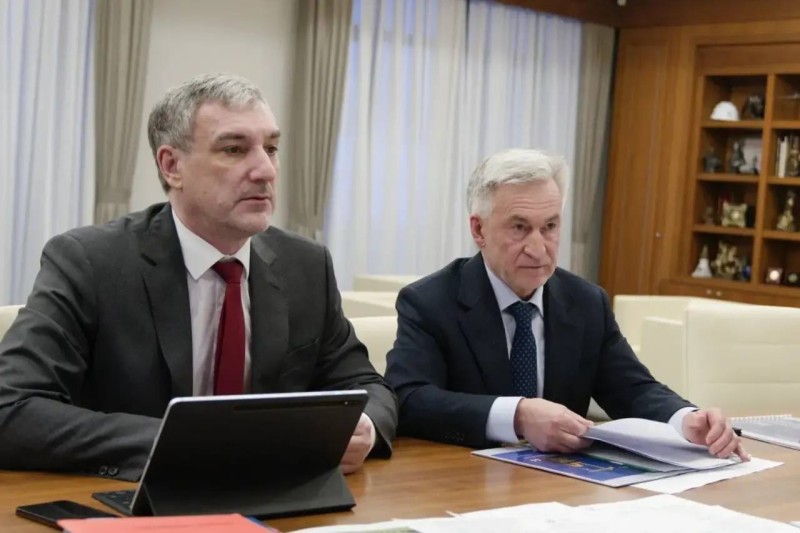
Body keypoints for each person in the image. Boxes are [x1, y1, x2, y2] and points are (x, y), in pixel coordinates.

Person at [0, 73, 397, 481]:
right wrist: (189, 445)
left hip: (279, 495)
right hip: (133, 497)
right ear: (172, 166)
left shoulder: (305, 265)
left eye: (271, 148)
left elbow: (365, 383)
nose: (265, 170)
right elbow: (11, 408)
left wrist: (364, 426)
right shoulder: (90, 262)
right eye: (234, 149)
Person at [384, 148, 746, 461]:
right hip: (464, 481)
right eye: (519, 227)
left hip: (564, 486)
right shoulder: (430, 302)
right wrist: (518, 415)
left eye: (550, 226)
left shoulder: (586, 302)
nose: (538, 248)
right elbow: (409, 399)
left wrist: (685, 419)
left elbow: (632, 389)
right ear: (479, 230)